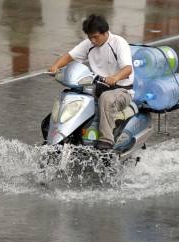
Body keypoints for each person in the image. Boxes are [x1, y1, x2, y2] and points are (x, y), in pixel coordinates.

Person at [47, 14, 134, 150]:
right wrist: (55, 67)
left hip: (121, 90)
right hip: (98, 86)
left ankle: (106, 141)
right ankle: (65, 133)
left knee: (106, 98)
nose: (93, 41)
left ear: (105, 33)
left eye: (96, 37)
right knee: (73, 95)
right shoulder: (89, 44)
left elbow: (128, 68)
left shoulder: (118, 43)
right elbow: (70, 56)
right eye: (90, 37)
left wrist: (115, 77)